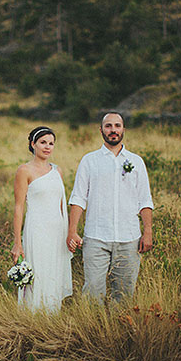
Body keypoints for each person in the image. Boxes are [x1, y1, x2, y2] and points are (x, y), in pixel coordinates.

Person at [67, 112, 154, 303]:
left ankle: (118, 329)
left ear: (123, 129)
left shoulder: (136, 162)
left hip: (129, 238)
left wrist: (147, 232)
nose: (113, 130)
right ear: (101, 130)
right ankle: (94, 329)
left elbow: (145, 200)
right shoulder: (89, 160)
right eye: (108, 126)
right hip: (96, 237)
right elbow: (79, 198)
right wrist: (72, 231)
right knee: (92, 293)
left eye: (117, 126)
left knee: (123, 295)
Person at [11, 126, 73, 312]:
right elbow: (19, 207)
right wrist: (17, 242)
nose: (47, 147)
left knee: (54, 272)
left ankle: (52, 315)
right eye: (43, 142)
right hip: (37, 230)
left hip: (57, 231)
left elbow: (62, 204)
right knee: (38, 273)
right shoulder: (24, 170)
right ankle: (33, 317)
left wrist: (69, 233)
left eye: (51, 143)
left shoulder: (57, 171)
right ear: (33, 144)